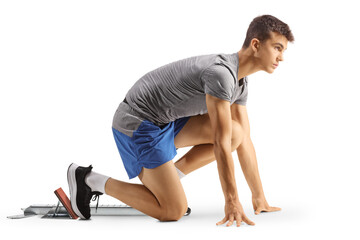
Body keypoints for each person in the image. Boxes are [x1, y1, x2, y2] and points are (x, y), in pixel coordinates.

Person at [67, 14, 294, 227]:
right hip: (138, 123)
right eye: (277, 48)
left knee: (237, 133)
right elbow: (220, 143)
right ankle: (89, 179)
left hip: (167, 122)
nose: (281, 57)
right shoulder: (221, 75)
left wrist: (259, 197)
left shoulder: (239, 82)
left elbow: (244, 141)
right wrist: (232, 201)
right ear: (256, 45)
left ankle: (168, 181)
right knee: (173, 210)